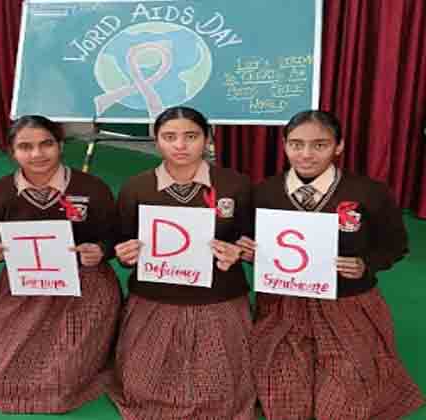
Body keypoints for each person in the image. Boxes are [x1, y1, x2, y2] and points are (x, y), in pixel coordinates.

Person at [237, 110, 425, 419]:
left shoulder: (369, 192)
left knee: (341, 404)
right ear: (284, 145)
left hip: (347, 301)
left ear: (339, 146)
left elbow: (395, 245)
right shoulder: (265, 192)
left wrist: (366, 264)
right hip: (283, 305)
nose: (306, 154)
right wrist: (249, 251)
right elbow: (252, 240)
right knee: (285, 401)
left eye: (319, 145)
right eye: (296, 144)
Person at [109, 106, 256, 419]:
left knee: (222, 390)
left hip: (218, 295)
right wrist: (125, 255)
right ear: (156, 140)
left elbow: (250, 239)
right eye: (169, 137)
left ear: (208, 138)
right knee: (142, 387)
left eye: (191, 136)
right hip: (155, 296)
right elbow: (121, 243)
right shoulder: (136, 187)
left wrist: (240, 252)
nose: (180, 145)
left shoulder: (236, 185)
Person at [0, 115, 121, 413]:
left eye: (46, 144)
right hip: (25, 283)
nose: (37, 154)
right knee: (0, 377)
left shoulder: (93, 188)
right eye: (25, 147)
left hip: (85, 283)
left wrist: (101, 250)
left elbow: (113, 237)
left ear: (60, 145)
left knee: (63, 377)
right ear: (12, 151)